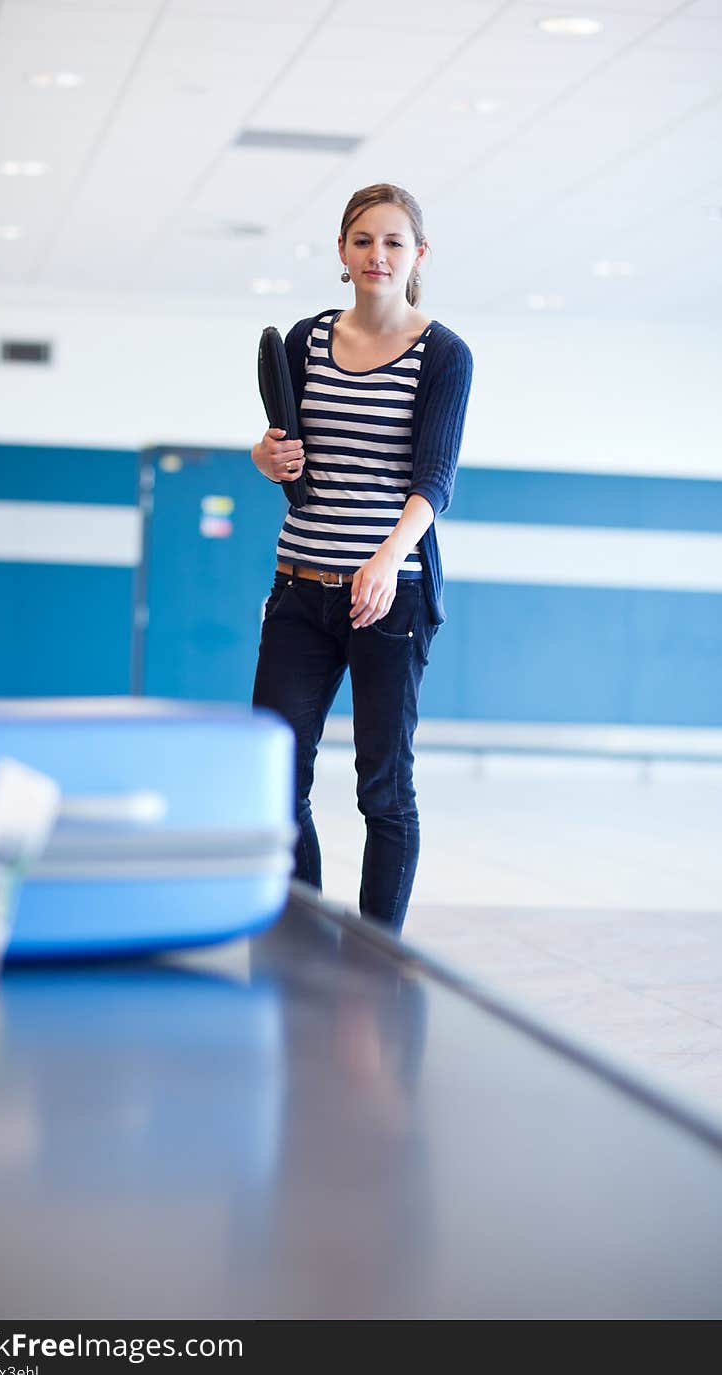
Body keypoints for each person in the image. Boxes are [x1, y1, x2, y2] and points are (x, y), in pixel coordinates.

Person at [251, 183, 472, 933]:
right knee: (276, 777)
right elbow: (289, 454)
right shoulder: (302, 342)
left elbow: (434, 480)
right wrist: (267, 456)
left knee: (382, 786)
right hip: (298, 590)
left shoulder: (443, 353)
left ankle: (381, 953)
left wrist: (384, 561)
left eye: (393, 242)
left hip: (390, 595)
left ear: (418, 255)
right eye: (363, 240)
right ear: (342, 253)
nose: (378, 255)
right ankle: (304, 934)